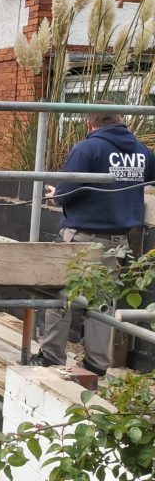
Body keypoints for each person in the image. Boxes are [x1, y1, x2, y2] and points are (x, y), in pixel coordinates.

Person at [29, 108, 155, 376]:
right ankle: (96, 364)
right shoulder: (143, 152)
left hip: (82, 237)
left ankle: (51, 357)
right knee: (102, 302)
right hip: (118, 241)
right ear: (120, 120)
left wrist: (55, 195)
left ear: (90, 122)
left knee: (62, 295)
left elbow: (66, 193)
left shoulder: (87, 149)